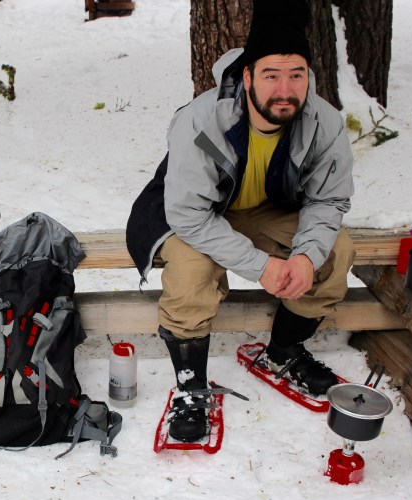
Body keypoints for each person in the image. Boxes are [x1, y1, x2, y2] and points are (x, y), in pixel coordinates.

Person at [126, 0, 355, 442]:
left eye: (297, 75)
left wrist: (305, 257)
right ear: (247, 76)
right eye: (271, 75)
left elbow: (329, 201)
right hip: (191, 213)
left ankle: (283, 350)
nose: (285, 89)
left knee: (335, 251)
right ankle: (191, 385)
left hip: (266, 210)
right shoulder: (201, 119)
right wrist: (262, 266)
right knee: (193, 273)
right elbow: (189, 214)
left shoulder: (324, 123)